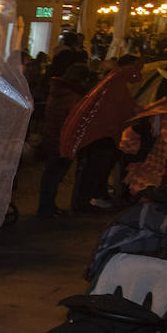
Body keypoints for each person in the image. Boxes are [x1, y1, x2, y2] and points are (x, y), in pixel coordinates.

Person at [37, 62, 92, 217]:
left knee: (50, 174)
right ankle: (47, 208)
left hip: (52, 136)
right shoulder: (74, 96)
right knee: (55, 175)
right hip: (63, 139)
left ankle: (46, 205)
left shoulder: (57, 91)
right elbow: (74, 120)